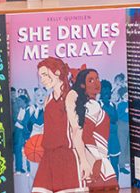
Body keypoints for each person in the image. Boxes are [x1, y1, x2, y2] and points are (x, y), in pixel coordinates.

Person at [31, 57, 82, 193]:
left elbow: (77, 129)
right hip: (48, 156)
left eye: (45, 75)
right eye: (40, 76)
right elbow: (47, 128)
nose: (42, 79)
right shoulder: (48, 98)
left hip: (65, 155)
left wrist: (84, 160)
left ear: (58, 72)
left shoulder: (70, 95)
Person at [72, 69, 117, 190]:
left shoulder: (88, 104)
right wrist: (97, 159)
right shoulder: (92, 105)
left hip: (95, 158)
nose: (96, 82)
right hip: (97, 160)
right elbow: (86, 135)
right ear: (82, 86)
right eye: (90, 80)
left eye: (97, 78)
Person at [99, 80, 120, 181]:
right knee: (105, 165)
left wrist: (109, 117)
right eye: (104, 90)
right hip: (104, 139)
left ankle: (116, 184)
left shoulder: (113, 105)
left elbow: (115, 119)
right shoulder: (98, 105)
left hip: (114, 138)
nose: (107, 93)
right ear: (100, 92)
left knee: (115, 164)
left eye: (109, 90)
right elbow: (104, 120)